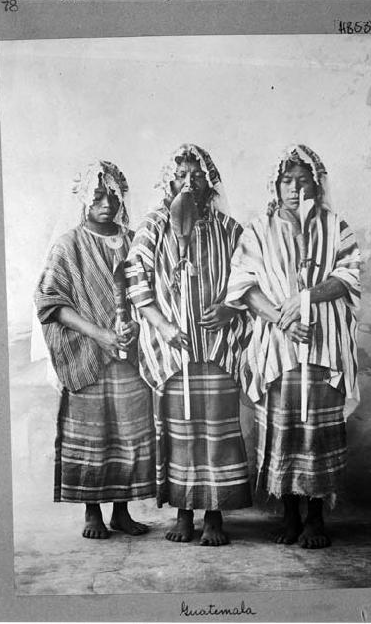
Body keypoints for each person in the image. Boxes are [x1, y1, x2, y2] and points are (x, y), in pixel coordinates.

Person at [225, 144, 361, 548]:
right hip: (278, 347)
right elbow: (244, 286)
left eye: (304, 180)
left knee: (318, 431)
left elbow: (348, 275)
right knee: (283, 428)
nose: (295, 188)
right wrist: (282, 319)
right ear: (276, 184)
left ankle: (316, 518)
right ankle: (288, 516)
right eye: (288, 180)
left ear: (316, 185)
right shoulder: (257, 230)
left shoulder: (335, 226)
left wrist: (306, 300)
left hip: (323, 343)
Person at [125, 144, 252, 546]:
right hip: (173, 351)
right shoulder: (152, 226)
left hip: (215, 347)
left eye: (196, 175)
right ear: (169, 180)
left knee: (216, 429)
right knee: (179, 431)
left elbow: (248, 276)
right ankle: (183, 513)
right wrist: (161, 324)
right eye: (181, 175)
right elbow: (135, 278)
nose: (188, 182)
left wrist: (230, 309)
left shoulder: (229, 229)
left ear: (209, 181)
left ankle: (214, 515)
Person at [35, 160, 155, 539]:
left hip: (129, 355)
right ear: (84, 199)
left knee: (129, 432)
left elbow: (152, 294)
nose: (106, 203)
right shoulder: (68, 245)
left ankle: (121, 510)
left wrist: (136, 325)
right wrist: (99, 334)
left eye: (113, 196)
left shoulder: (138, 241)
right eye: (97, 196)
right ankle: (92, 512)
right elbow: (51, 301)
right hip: (86, 353)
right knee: (91, 434)